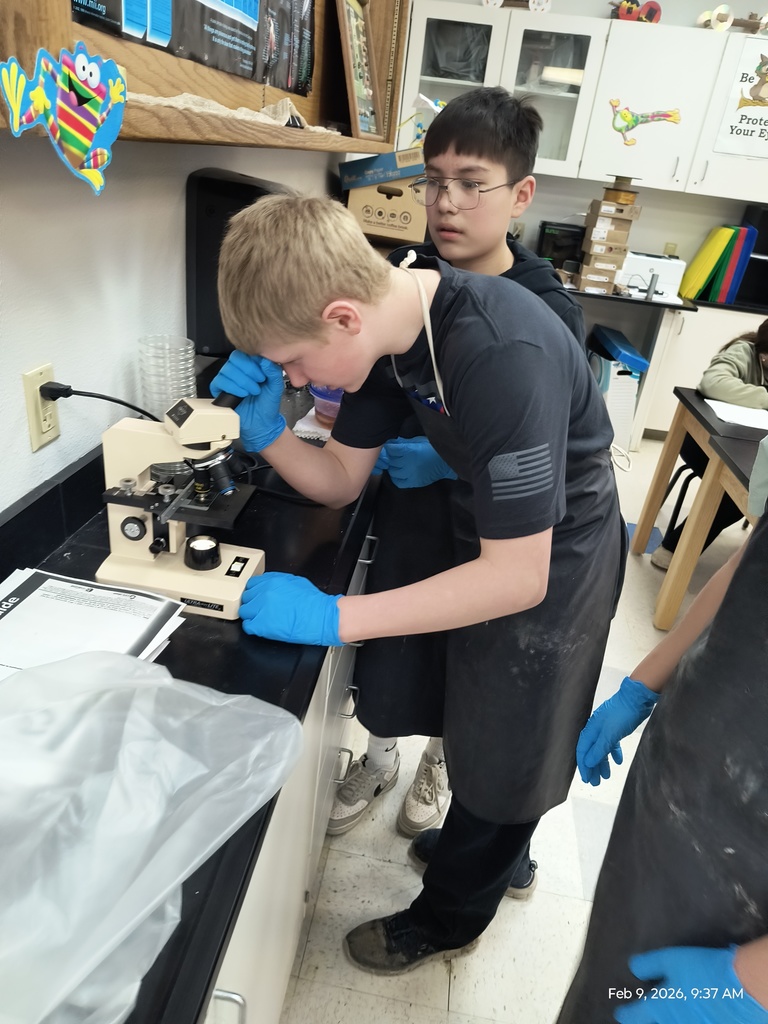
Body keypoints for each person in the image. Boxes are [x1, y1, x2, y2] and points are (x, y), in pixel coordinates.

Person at [210, 190, 626, 974]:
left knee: (515, 737)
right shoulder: (384, 337)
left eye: (294, 360)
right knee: (465, 703)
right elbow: (338, 478)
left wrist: (337, 616)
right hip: (489, 531)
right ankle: (478, 839)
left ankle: (450, 916)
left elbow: (517, 577)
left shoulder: (501, 352)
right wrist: (265, 432)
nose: (294, 376)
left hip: (555, 556)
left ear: (340, 315)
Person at [328, 86, 587, 898]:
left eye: (471, 183)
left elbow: (555, 446)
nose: (445, 203)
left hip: (510, 534)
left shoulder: (542, 314)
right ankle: (379, 760)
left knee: (481, 684)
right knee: (403, 655)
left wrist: (452, 461)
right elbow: (362, 418)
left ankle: (448, 778)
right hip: (418, 524)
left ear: (520, 195)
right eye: (433, 180)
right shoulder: (404, 288)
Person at [557, 435, 768, 1023]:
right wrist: (645, 682)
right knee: (610, 989)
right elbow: (751, 558)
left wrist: (748, 987)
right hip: (682, 783)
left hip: (749, 908)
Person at [650, 319, 768, 570]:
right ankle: (674, 548)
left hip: (752, 449)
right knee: (741, 494)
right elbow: (713, 383)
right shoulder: (744, 351)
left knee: (757, 488)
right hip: (703, 441)